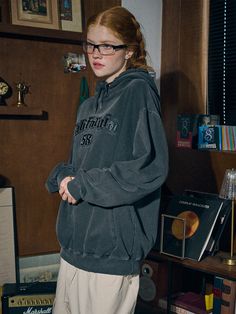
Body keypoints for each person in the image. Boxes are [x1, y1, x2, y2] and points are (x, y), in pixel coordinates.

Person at [46, 6, 168, 314]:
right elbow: (84, 164)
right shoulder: (88, 106)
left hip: (111, 251)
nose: (95, 54)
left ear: (129, 51)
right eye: (90, 44)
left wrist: (84, 185)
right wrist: (65, 175)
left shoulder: (139, 92)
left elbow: (148, 166)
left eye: (107, 46)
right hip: (74, 247)